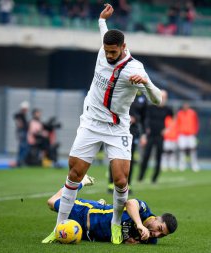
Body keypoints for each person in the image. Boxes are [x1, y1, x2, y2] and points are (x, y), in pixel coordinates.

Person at [42, 4, 162, 245]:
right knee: (74, 173)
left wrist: (147, 84)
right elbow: (103, 33)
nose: (108, 55)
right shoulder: (104, 48)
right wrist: (101, 20)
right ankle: (58, 228)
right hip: (90, 123)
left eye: (113, 52)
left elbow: (157, 99)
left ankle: (116, 223)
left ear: (124, 48)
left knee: (120, 180)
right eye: (106, 51)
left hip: (117, 128)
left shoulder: (135, 69)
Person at [45, 176, 178, 244]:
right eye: (159, 229)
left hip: (88, 235)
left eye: (162, 235)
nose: (156, 234)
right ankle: (81, 182)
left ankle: (103, 203)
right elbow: (130, 203)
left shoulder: (150, 240)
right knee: (51, 202)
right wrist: (139, 224)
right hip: (87, 213)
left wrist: (130, 241)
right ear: (156, 218)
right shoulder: (144, 211)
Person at [107, 92, 148, 194]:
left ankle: (127, 184)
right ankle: (111, 183)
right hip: (118, 128)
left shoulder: (142, 97)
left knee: (129, 158)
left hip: (133, 131)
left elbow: (144, 118)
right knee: (114, 155)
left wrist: (143, 134)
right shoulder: (122, 90)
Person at [138, 90, 173, 183]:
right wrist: (145, 132)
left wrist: (167, 129)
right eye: (161, 97)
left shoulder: (167, 109)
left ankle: (154, 178)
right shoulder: (150, 108)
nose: (163, 99)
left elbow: (174, 120)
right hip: (150, 135)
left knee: (159, 157)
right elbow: (144, 120)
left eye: (164, 97)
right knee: (146, 156)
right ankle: (140, 177)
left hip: (160, 136)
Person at [176, 103, 200, 172]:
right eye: (184, 106)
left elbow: (196, 122)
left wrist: (195, 131)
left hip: (191, 134)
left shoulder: (192, 113)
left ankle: (194, 165)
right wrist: (178, 132)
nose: (185, 107)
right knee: (182, 150)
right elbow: (177, 123)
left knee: (193, 150)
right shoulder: (180, 113)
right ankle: (182, 165)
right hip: (182, 134)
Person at [13, 101, 30, 167]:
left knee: (24, 147)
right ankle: (19, 162)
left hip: (23, 132)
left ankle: (20, 161)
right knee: (23, 147)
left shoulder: (23, 115)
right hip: (22, 132)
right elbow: (19, 124)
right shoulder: (19, 115)